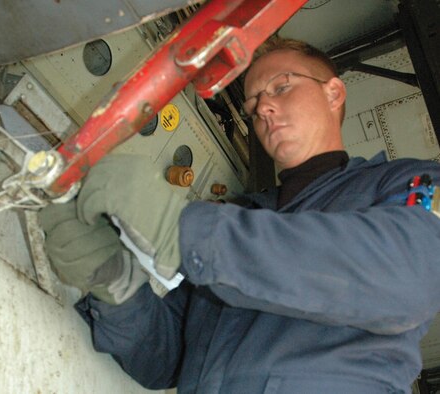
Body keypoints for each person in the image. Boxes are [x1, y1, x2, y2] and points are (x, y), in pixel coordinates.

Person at [39, 37, 440, 393]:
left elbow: (408, 278)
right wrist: (115, 284)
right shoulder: (241, 217)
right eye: (252, 104)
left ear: (334, 93)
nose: (263, 106)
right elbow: (164, 363)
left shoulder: (405, 182)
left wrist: (181, 232)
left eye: (281, 87)